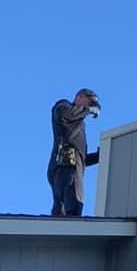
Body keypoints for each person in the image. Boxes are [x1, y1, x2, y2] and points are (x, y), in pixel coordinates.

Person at [48, 88, 101, 216]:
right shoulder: (63, 106)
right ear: (80, 97)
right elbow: (66, 114)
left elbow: (81, 159)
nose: (90, 106)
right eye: (90, 102)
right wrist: (87, 110)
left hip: (67, 167)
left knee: (62, 212)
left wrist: (98, 156)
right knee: (73, 208)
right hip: (66, 166)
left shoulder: (79, 125)